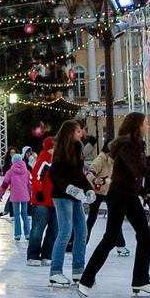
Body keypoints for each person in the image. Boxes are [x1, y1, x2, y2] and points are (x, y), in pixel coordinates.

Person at [78, 113, 150, 298]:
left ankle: (140, 280)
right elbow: (138, 170)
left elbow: (132, 176)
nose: (148, 127)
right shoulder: (127, 146)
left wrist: (143, 193)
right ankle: (85, 280)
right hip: (119, 196)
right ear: (137, 126)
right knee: (110, 239)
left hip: (130, 195)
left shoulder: (137, 145)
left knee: (144, 237)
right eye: (145, 123)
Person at [47, 120, 96, 287]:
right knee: (65, 232)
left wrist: (89, 189)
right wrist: (69, 188)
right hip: (62, 196)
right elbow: (54, 175)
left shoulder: (77, 149)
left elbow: (80, 176)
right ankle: (55, 271)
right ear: (69, 133)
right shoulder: (61, 150)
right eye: (78, 131)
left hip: (75, 197)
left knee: (82, 232)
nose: (81, 133)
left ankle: (78, 270)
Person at [86, 141, 128, 258]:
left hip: (110, 192)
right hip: (98, 192)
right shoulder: (100, 160)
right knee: (92, 217)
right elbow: (89, 173)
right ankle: (81, 242)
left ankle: (120, 244)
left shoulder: (116, 160)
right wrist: (94, 180)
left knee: (115, 218)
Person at [26, 137, 57, 266]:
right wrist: (38, 192)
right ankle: (33, 254)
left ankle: (47, 254)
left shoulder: (59, 161)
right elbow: (35, 176)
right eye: (53, 147)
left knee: (54, 230)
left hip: (56, 201)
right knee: (38, 229)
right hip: (42, 202)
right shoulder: (43, 161)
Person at [0, 154, 32, 241]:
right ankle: (27, 234)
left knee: (16, 215)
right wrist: (34, 194)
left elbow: (5, 184)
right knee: (25, 214)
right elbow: (31, 184)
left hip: (15, 195)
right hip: (25, 195)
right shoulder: (27, 172)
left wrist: (1, 193)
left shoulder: (10, 172)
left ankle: (17, 235)